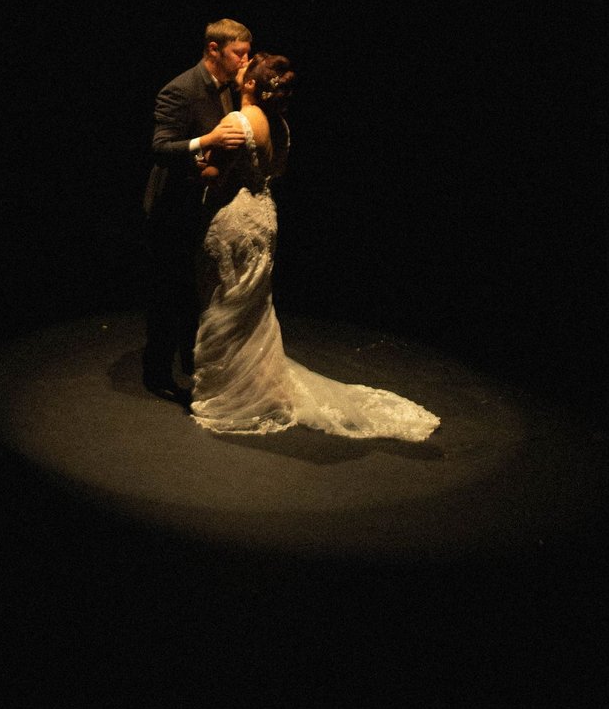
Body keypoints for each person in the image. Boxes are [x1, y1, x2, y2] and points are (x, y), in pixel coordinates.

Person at [186, 54, 438, 440]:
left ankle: (229, 395)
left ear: (251, 84)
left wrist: (202, 152)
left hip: (233, 218)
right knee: (253, 305)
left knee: (225, 301)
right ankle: (256, 387)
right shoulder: (280, 124)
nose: (241, 66)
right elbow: (275, 169)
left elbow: (213, 178)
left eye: (246, 65)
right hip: (263, 216)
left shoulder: (236, 122)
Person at [140, 20, 262, 401]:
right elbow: (160, 148)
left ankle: (194, 363)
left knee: (197, 290)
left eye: (247, 52)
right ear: (213, 50)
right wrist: (205, 141)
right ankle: (157, 373)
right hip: (171, 206)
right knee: (170, 290)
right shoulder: (180, 89)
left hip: (205, 204)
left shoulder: (233, 88)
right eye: (237, 53)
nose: (245, 61)